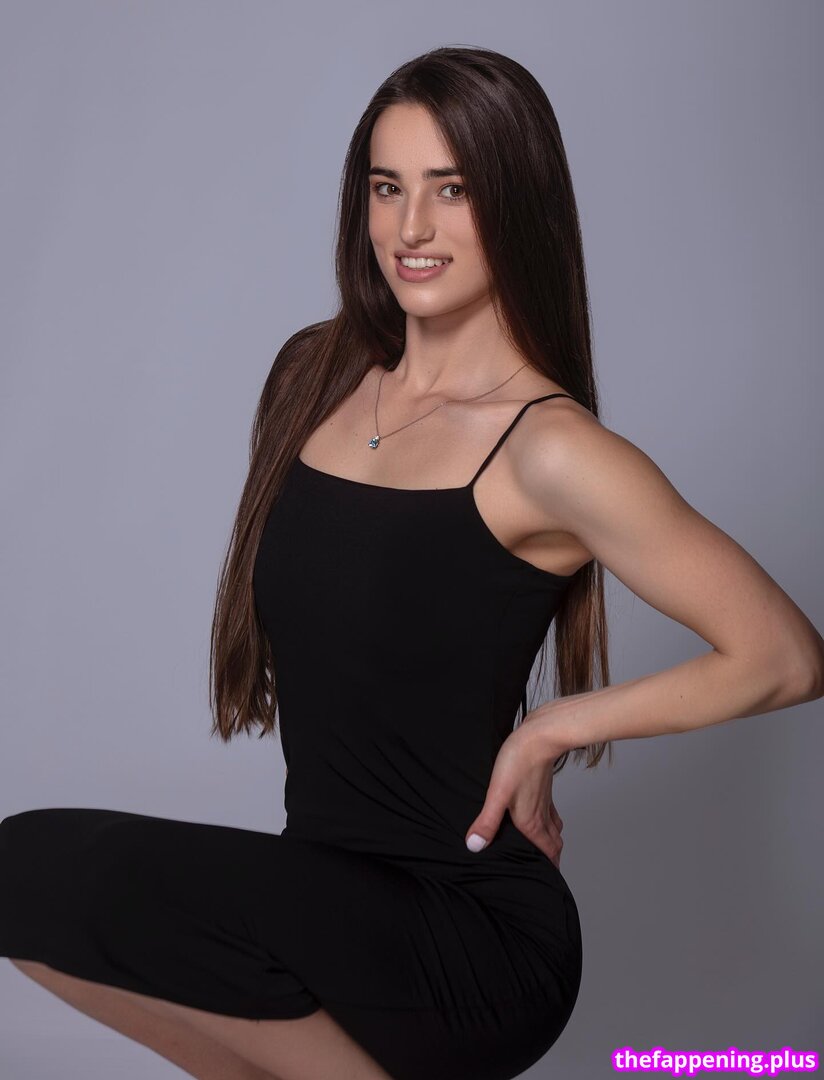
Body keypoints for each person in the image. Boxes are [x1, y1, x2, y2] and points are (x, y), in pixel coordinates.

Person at [2, 44, 823, 1080]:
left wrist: (553, 729)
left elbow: (785, 656)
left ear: (516, 204)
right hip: (326, 892)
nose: (411, 229)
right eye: (387, 188)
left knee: (44, 869)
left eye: (453, 189)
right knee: (26, 874)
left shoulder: (548, 450)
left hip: (472, 932)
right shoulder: (314, 377)